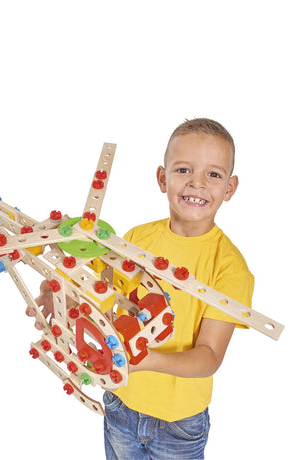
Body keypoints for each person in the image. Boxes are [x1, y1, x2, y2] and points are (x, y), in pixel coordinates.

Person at [103, 118, 254, 459]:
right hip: (120, 400)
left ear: (230, 188)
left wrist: (143, 359)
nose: (197, 183)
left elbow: (209, 356)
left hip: (178, 423)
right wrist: (57, 293)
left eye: (213, 174)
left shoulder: (230, 267)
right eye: (183, 169)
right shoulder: (137, 238)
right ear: (162, 178)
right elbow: (101, 293)